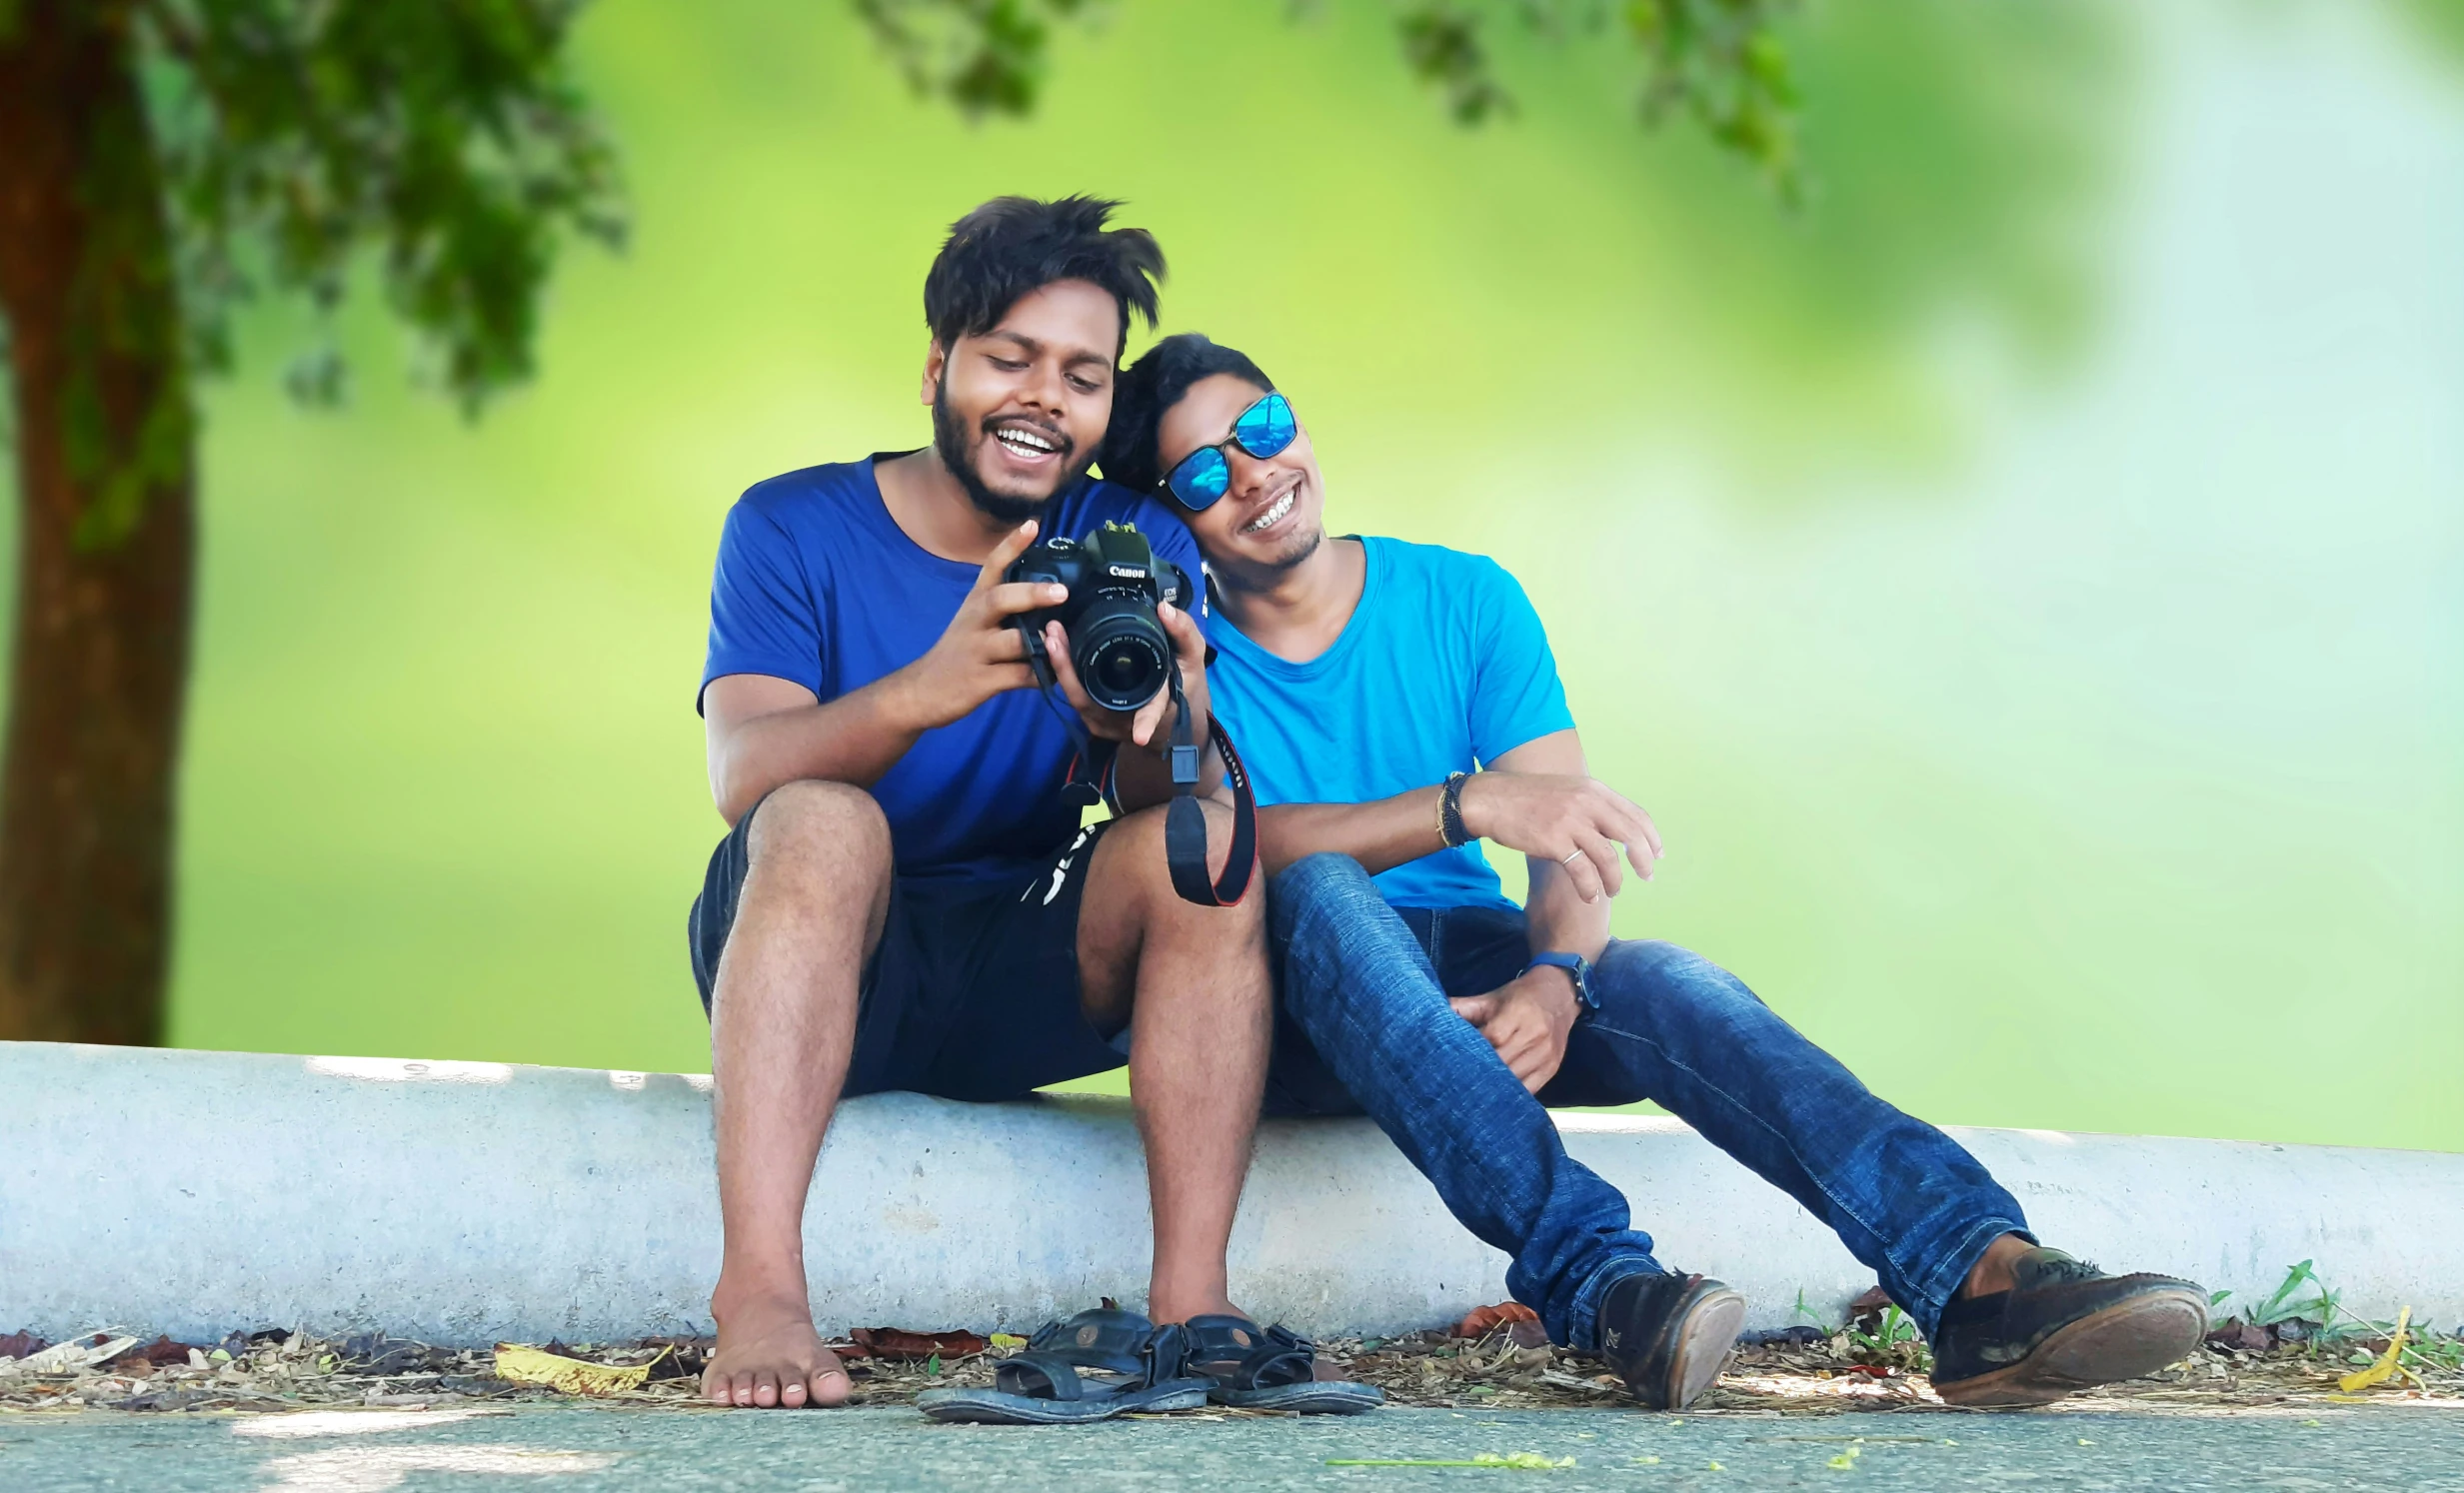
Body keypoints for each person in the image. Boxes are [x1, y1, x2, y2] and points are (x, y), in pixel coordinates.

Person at [1098, 333, 2211, 1412]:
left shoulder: (1461, 599)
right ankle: (1605, 1288)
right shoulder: (1173, 654)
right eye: (1203, 471)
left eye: (1263, 427)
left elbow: (1566, 835)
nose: (1255, 474)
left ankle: (1975, 1277)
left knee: (1666, 980)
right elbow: (1217, 851)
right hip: (1292, 1006)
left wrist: (1554, 983)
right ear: (1168, 514)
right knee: (1322, 893)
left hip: (1477, 984)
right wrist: (1460, 803)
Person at [687, 203, 1273, 1410]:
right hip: (827, 946)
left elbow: (1160, 809)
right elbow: (742, 776)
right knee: (822, 815)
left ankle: (1192, 1309)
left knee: (1206, 833)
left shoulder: (1134, 536)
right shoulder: (791, 524)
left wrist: (1152, 731)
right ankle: (757, 1292)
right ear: (936, 367)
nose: (1043, 397)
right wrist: (923, 691)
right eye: (1009, 357)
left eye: (1081, 375)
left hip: (1017, 952)